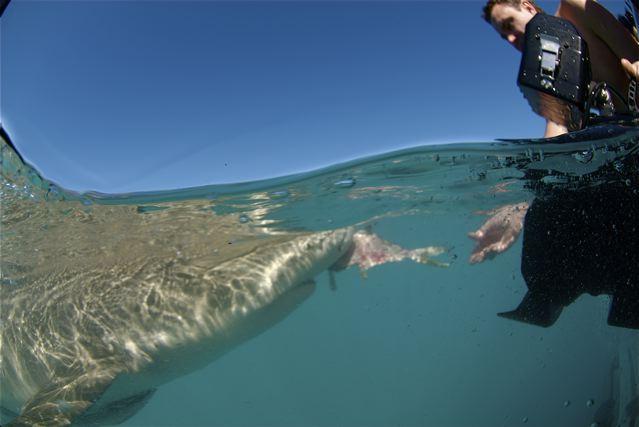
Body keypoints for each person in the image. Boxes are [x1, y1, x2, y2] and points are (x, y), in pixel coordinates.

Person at [483, 0, 639, 138]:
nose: (510, 39)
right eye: (504, 37)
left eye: (509, 25)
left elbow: (634, 57)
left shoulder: (572, 8)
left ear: (528, 7)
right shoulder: (544, 67)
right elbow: (558, 125)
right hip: (624, 136)